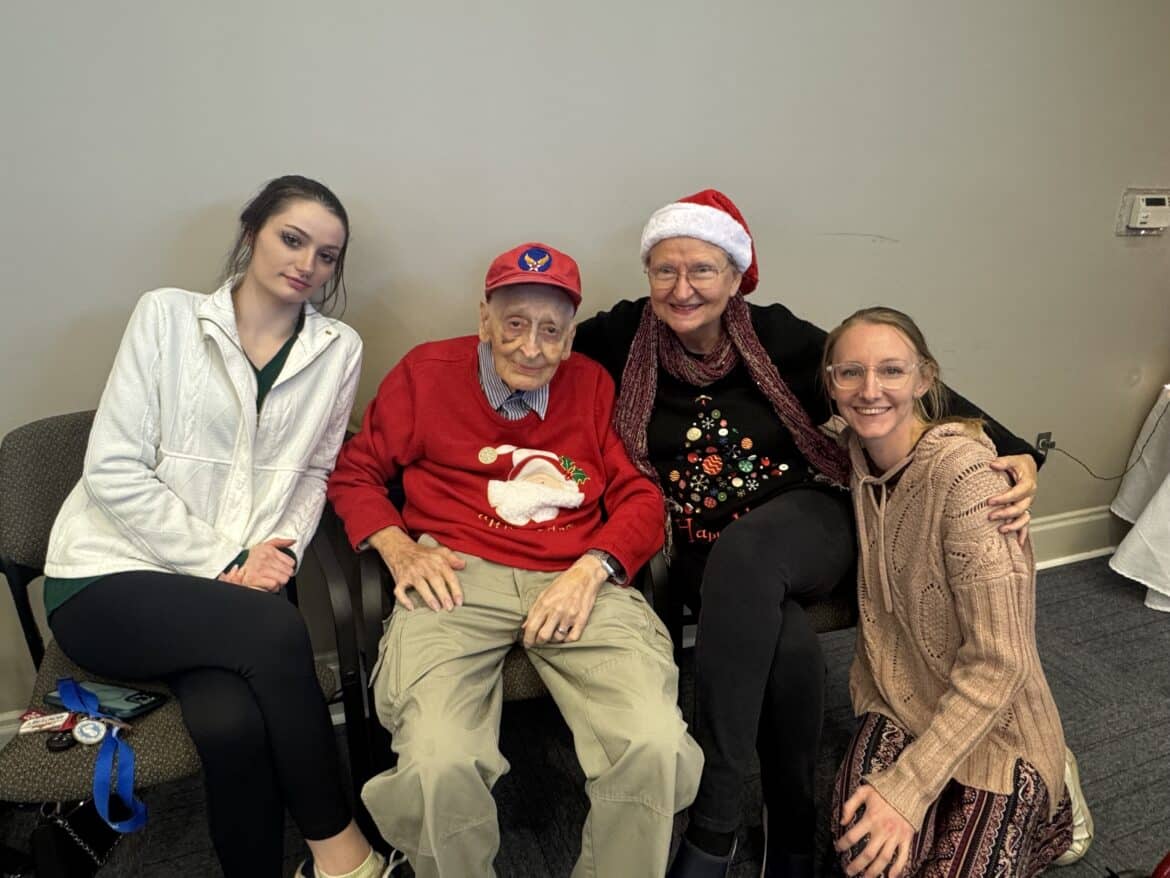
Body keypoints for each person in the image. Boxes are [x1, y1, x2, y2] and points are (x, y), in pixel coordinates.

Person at [570, 189, 1042, 877]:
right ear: (648, 275)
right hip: (700, 541)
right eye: (664, 270)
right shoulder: (619, 339)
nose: (682, 288)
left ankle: (715, 822)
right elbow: (534, 348)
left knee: (749, 550)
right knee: (786, 640)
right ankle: (790, 832)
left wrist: (1014, 448)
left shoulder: (775, 335)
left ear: (736, 275)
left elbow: (877, 378)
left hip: (807, 517)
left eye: (702, 269)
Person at [43, 176, 392, 878]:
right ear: (252, 231)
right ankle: (343, 856)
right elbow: (112, 470)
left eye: (327, 256)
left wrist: (276, 555)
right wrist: (227, 561)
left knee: (232, 726)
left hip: (233, 594)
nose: (307, 264)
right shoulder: (167, 316)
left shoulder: (338, 348)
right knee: (279, 631)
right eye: (292, 239)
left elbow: (315, 471)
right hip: (108, 577)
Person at [325, 242, 703, 878]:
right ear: (485, 320)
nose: (531, 347)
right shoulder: (425, 374)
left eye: (551, 331)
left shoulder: (592, 385)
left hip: (575, 577)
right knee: (438, 761)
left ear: (570, 337)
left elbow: (639, 495)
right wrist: (397, 546)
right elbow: (354, 472)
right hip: (457, 577)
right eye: (515, 324)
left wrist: (593, 569)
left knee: (654, 744)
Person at [823, 306, 1090, 877]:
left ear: (925, 379)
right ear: (831, 384)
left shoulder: (968, 481)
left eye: (891, 370)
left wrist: (910, 787)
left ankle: (1055, 811)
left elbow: (1000, 663)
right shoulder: (853, 454)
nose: (869, 390)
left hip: (997, 720)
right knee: (862, 856)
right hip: (896, 697)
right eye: (850, 372)